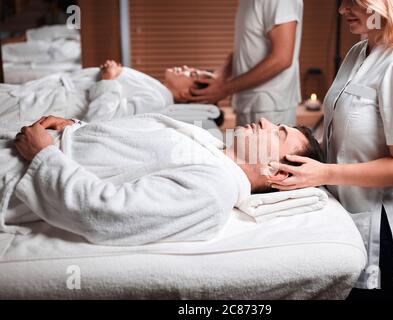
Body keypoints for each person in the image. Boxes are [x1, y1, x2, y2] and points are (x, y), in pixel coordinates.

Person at [268, 0, 393, 300]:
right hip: (344, 217)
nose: (342, 9)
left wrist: (324, 173)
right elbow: (343, 135)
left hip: (381, 231)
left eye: (352, 2)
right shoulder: (358, 53)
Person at [0, 115, 322, 246]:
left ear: (276, 171)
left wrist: (43, 155)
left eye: (278, 133)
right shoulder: (211, 146)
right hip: (32, 145)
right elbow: (134, 147)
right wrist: (78, 125)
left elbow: (106, 213)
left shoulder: (214, 190)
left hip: (17, 175)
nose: (265, 121)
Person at [187, 0, 303, 127]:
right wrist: (220, 75)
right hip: (246, 104)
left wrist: (224, 89)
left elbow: (281, 59)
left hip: (269, 107)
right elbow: (247, 46)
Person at [0, 61, 213, 123]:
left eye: (192, 74)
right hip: (40, 95)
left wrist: (108, 79)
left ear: (187, 95)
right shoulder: (156, 90)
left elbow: (101, 118)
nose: (185, 68)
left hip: (45, 104)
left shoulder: (157, 100)